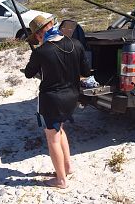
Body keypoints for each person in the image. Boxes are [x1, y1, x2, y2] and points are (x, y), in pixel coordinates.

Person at [24, 15, 90, 189]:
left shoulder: (41, 51)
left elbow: (29, 73)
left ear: (38, 35)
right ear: (52, 25)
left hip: (52, 99)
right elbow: (85, 71)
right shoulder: (76, 44)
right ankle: (67, 167)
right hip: (72, 97)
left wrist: (37, 56)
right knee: (59, 129)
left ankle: (61, 180)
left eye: (36, 37)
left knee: (52, 136)